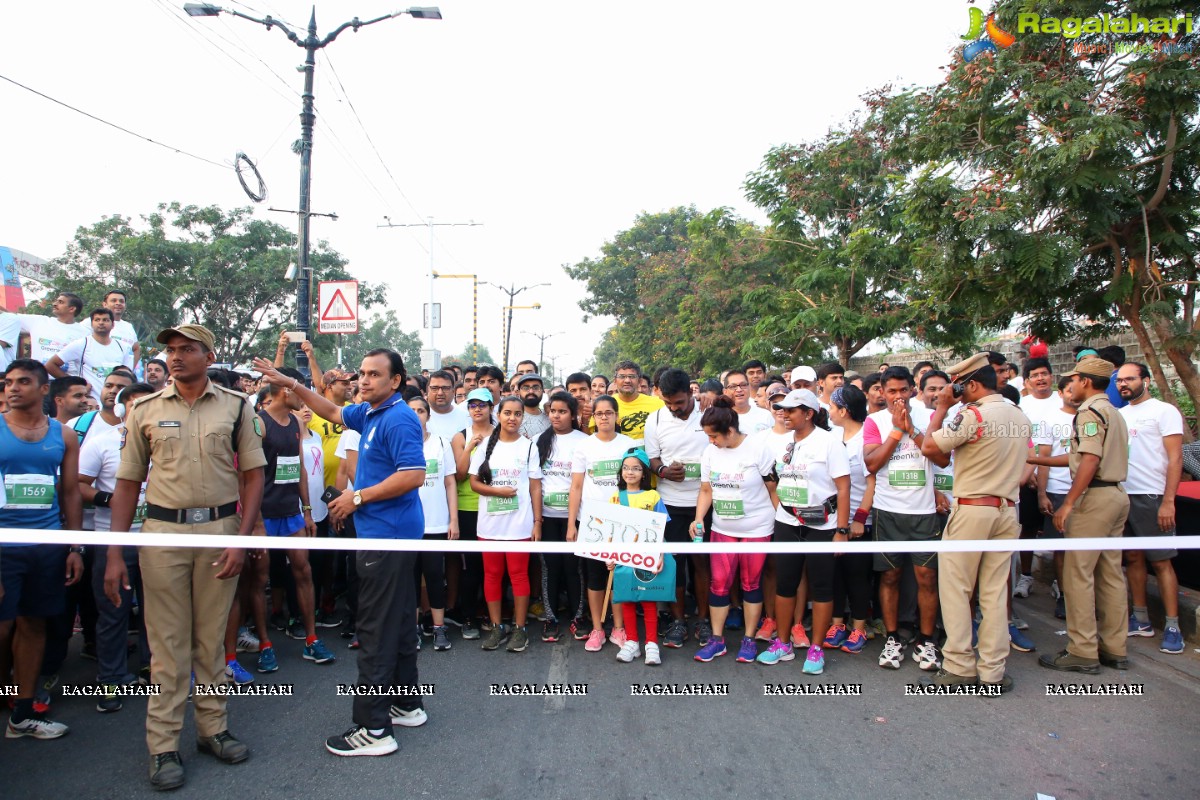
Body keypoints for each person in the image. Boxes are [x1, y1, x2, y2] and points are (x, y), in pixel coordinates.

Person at [104, 325, 265, 788]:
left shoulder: (236, 407)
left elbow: (253, 476)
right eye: (171, 351)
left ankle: (213, 730)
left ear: (208, 355)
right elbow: (127, 483)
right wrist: (115, 551)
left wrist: (240, 537)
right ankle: (163, 746)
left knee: (211, 640)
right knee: (167, 646)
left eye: (187, 350)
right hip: (162, 534)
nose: (176, 358)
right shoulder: (145, 410)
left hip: (218, 531)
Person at [254, 347, 430, 757]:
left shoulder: (399, 417)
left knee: (375, 630)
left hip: (386, 539)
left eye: (374, 375)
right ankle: (406, 704)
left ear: (396, 381)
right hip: (387, 537)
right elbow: (332, 412)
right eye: (361, 374)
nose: (363, 381)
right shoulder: (368, 412)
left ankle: (374, 729)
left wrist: (358, 497)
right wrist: (292, 383)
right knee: (400, 624)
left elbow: (414, 475)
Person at [921, 353, 1031, 693]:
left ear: (972, 384)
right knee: (996, 592)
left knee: (956, 589)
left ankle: (959, 665)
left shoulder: (973, 415)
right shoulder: (1018, 415)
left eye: (959, 387)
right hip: (1007, 511)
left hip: (972, 510)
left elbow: (929, 446)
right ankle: (993, 670)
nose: (955, 393)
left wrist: (941, 409)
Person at [0, 358, 84, 740]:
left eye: (22, 382)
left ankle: (22, 711)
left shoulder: (63, 435)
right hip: (4, 547)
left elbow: (69, 493)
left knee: (33, 625)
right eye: (8, 383)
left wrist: (75, 546)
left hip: (47, 545)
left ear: (43, 388)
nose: (13, 388)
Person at [1037, 356, 1131, 674]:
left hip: (1095, 499)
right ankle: (1114, 648)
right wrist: (1038, 459)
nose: (1070, 386)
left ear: (1085, 381)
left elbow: (1089, 459)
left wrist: (1069, 503)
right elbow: (1081, 456)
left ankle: (1082, 650)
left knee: (1078, 575)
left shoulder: (1089, 412)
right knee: (1110, 575)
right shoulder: (1113, 412)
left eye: (1073, 380)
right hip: (1116, 494)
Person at [760, 389, 850, 674]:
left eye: (792, 410)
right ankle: (783, 643)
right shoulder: (782, 443)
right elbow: (774, 479)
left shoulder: (829, 442)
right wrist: (780, 509)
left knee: (821, 587)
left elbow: (844, 487)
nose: (785, 414)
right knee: (785, 584)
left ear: (809, 413)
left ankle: (816, 648)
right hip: (787, 521)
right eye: (782, 409)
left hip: (822, 524)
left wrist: (842, 529)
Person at [79, 381, 155, 712]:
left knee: (157, 613)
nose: (142, 411)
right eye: (135, 405)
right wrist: (109, 499)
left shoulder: (165, 444)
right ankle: (110, 679)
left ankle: (153, 669)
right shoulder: (100, 444)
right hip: (114, 543)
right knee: (114, 612)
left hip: (157, 541)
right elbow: (77, 484)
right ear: (122, 409)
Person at [251, 366, 335, 670]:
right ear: (284, 391)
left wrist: (308, 509)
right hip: (263, 515)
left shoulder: (296, 425)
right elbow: (247, 474)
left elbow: (298, 466)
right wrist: (256, 520)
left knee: (304, 571)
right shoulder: (257, 423)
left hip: (291, 513)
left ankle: (311, 639)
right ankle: (265, 644)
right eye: (295, 388)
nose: (302, 396)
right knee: (260, 579)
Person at [863, 366, 942, 673]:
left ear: (913, 389)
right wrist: (896, 431)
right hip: (887, 510)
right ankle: (893, 638)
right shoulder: (874, 421)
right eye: (891, 391)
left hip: (923, 512)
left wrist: (913, 429)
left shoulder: (929, 417)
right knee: (890, 576)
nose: (897, 396)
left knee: (927, 578)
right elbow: (871, 464)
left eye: (903, 390)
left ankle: (926, 640)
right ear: (881, 391)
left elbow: (941, 458)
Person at [693, 396, 779, 663]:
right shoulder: (710, 452)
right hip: (722, 527)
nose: (711, 441)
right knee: (719, 584)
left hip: (757, 527)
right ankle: (717, 641)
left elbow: (772, 487)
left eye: (714, 436)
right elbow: (706, 489)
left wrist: (781, 522)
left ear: (729, 431)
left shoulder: (757, 448)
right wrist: (698, 519)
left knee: (751, 584)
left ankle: (749, 639)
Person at [1116, 362, 1184, 654]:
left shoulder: (1164, 411)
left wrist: (1168, 500)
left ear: (1145, 380)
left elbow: (1176, 458)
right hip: (1122, 495)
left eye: (1130, 379)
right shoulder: (1119, 414)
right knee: (1132, 557)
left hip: (1153, 496)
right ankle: (1140, 618)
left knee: (1161, 561)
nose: (1123, 384)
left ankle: (1172, 626)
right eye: (1119, 380)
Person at [644, 369, 713, 648]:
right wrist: (663, 471)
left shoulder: (709, 411)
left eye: (680, 403)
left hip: (703, 503)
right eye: (668, 403)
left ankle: (704, 620)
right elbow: (652, 458)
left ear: (691, 393)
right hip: (669, 503)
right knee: (674, 565)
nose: (674, 409)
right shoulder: (656, 419)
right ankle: (678, 620)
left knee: (701, 563)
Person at [469, 395, 543, 653]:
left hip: (519, 525)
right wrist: (497, 493)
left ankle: (520, 628)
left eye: (517, 414)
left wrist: (536, 522)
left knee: (519, 575)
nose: (512, 418)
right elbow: (474, 482)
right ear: (498, 415)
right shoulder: (485, 445)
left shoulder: (529, 447)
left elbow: (535, 486)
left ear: (523, 417)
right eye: (507, 413)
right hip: (489, 525)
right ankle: (498, 626)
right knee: (491, 575)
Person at [568, 394, 636, 651]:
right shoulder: (584, 446)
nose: (604, 417)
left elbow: (636, 484)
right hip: (591, 522)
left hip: (623, 521)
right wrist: (571, 525)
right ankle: (598, 628)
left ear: (617, 415)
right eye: (599, 413)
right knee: (595, 577)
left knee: (619, 576)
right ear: (593, 417)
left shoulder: (630, 445)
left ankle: (619, 627)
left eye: (609, 412)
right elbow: (576, 486)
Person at [826, 385, 876, 656]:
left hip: (858, 522)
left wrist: (859, 519)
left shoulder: (865, 440)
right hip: (832, 520)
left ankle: (858, 627)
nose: (830, 411)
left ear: (844, 411)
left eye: (833, 407)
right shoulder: (831, 438)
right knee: (835, 576)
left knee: (857, 576)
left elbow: (871, 484)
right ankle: (837, 626)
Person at [535, 392, 588, 642]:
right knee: (550, 567)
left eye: (563, 411)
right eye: (553, 411)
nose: (556, 415)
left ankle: (579, 617)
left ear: (573, 414)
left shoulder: (584, 441)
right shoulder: (538, 441)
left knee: (573, 567)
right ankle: (551, 618)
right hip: (546, 516)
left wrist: (573, 521)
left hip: (575, 517)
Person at [407, 394, 458, 653]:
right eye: (411, 411)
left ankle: (438, 628)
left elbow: (450, 482)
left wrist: (453, 520)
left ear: (428, 415)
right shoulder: (400, 442)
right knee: (411, 578)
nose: (417, 415)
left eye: (421, 411)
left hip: (436, 523)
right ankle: (414, 628)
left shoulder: (440, 442)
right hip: (407, 524)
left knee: (436, 576)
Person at [611, 448, 669, 665]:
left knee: (648, 599)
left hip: (648, 555)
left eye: (636, 468)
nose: (630, 472)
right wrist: (611, 556)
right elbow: (611, 531)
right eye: (626, 468)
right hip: (624, 556)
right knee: (626, 598)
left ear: (644, 473)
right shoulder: (616, 497)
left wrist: (660, 554)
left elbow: (661, 527)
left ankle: (652, 643)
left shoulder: (653, 496)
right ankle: (632, 642)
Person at [449, 388, 496, 640]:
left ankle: (493, 615)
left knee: (494, 567)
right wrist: (469, 448)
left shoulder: (502, 434)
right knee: (472, 567)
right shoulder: (461, 436)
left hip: (497, 508)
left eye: (482, 405)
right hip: (468, 508)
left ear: (491, 407)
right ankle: (468, 617)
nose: (477, 409)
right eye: (472, 405)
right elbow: (458, 475)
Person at [1015, 357, 1059, 597]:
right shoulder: (1022, 405)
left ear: (1052, 376)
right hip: (1028, 477)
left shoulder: (1062, 402)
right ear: (1027, 381)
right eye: (1035, 375)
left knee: (1060, 531)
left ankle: (1058, 581)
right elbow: (1020, 443)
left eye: (1044, 373)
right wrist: (1029, 472)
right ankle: (1025, 575)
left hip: (1060, 478)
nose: (1040, 378)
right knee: (1027, 529)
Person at [46, 308, 135, 403]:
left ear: (113, 324)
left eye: (105, 320)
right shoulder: (81, 344)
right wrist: (75, 384)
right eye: (97, 320)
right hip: (89, 404)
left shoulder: (124, 347)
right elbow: (50, 365)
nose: (101, 323)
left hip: (116, 403)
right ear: (92, 324)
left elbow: (128, 376)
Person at [15, 293, 88, 365]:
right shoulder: (38, 321)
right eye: (56, 301)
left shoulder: (85, 333)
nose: (54, 304)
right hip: (39, 376)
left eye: (60, 302)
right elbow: (8, 317)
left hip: (69, 376)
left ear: (72, 309)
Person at [609, 361, 664, 446]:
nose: (627, 380)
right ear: (615, 381)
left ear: (640, 381)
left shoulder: (658, 404)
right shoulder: (606, 405)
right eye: (622, 376)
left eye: (632, 376)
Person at [723, 368, 774, 434]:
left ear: (749, 387)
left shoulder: (766, 415)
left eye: (743, 385)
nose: (739, 390)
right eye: (733, 386)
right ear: (725, 391)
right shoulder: (721, 418)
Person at [425, 369, 468, 439]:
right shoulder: (419, 417)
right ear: (427, 391)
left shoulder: (466, 417)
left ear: (453, 391)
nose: (440, 393)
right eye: (435, 388)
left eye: (445, 388)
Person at [516, 373, 550, 439]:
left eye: (536, 387)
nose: (531, 391)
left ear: (543, 390)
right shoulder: (513, 419)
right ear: (518, 392)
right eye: (526, 388)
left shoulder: (551, 417)